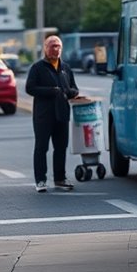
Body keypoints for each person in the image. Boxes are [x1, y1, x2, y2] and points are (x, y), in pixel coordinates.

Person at [26, 35, 79, 192]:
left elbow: (74, 88)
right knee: (41, 148)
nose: (55, 49)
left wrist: (70, 92)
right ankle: (40, 180)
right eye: (52, 46)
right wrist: (51, 91)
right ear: (45, 48)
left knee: (61, 147)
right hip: (43, 115)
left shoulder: (65, 68)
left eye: (58, 46)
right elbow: (30, 88)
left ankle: (60, 179)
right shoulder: (38, 68)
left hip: (62, 113)